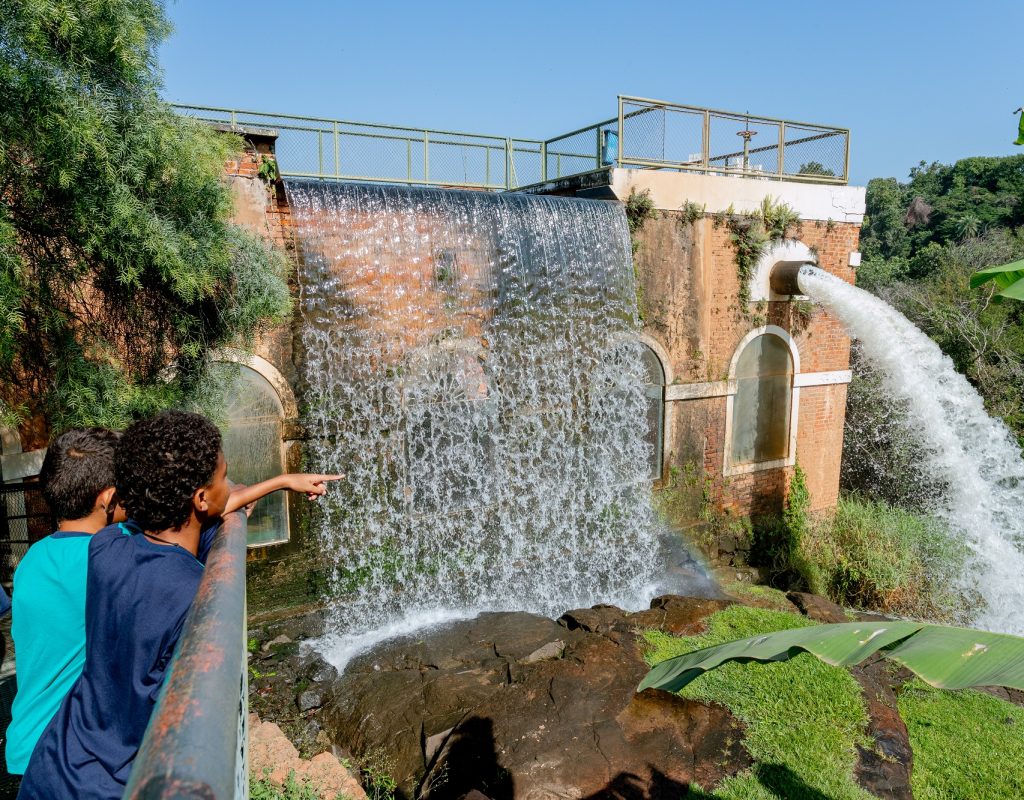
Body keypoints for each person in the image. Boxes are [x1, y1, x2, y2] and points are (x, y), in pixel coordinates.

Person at [7, 423, 339, 781]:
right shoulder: (103, 557)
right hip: (91, 756)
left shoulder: (50, 557)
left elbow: (181, 511)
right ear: (109, 499)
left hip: (34, 745)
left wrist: (280, 481)